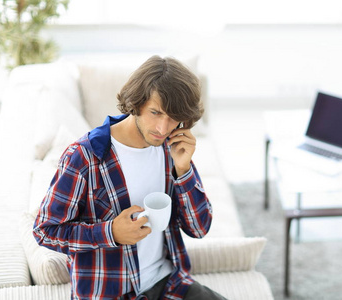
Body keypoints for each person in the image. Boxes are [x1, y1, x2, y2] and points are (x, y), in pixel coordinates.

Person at [33, 56, 226, 300]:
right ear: (137, 102)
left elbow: (199, 229)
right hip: (109, 293)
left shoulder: (171, 150)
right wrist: (110, 233)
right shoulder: (84, 157)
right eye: (155, 112)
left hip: (168, 283)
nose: (163, 128)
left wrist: (184, 170)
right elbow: (45, 230)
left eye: (173, 117)